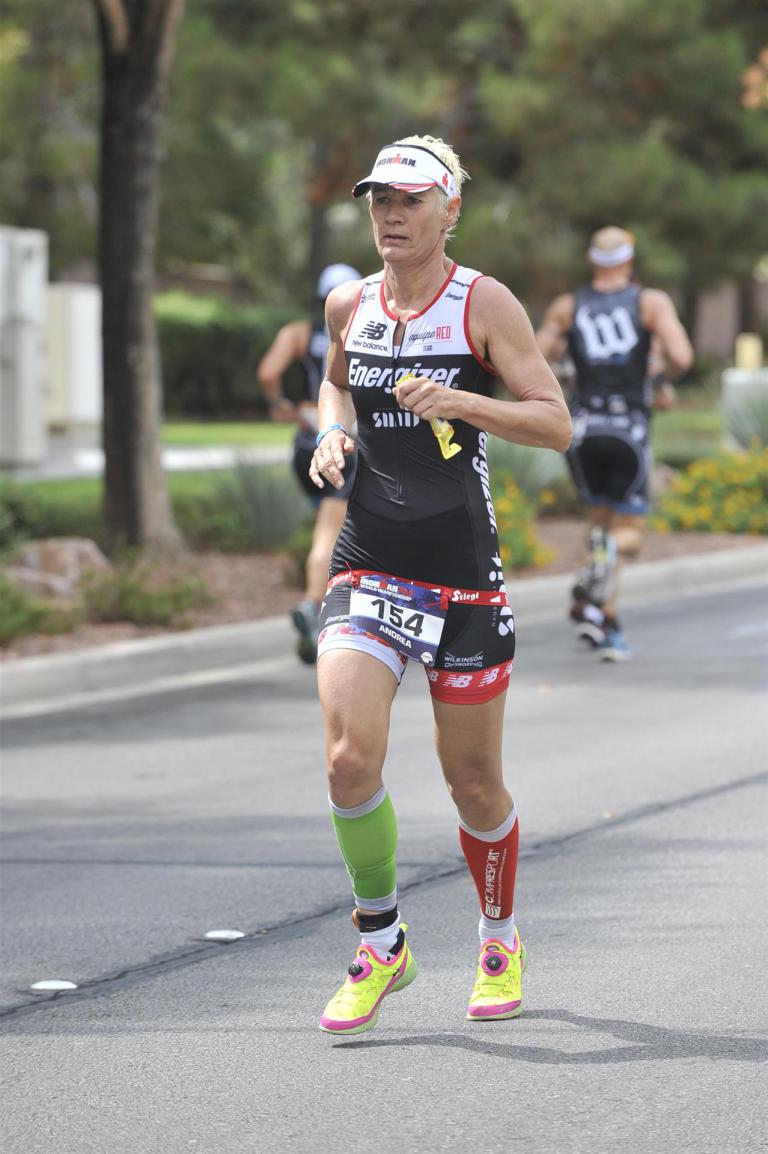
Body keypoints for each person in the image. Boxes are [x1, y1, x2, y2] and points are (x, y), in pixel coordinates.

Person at [308, 135, 572, 1035]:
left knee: (473, 786)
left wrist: (463, 402)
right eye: (379, 199)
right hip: (369, 563)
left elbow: (555, 423)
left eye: (410, 200)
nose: (391, 214)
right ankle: (381, 941)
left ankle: (499, 939)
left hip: (462, 578)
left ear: (450, 208)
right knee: (348, 759)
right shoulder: (350, 303)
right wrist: (331, 432)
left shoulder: (482, 303)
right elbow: (334, 385)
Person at [536, 227, 694, 661]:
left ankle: (600, 617)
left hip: (583, 429)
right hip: (628, 427)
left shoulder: (568, 306)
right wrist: (657, 381)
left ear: (592, 259)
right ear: (629, 258)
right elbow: (682, 356)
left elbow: (533, 354)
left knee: (598, 521)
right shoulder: (649, 302)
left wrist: (565, 377)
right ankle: (603, 587)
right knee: (629, 536)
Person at [257, 263, 361, 663]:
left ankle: (332, 608)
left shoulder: (299, 333)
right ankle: (312, 604)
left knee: (338, 527)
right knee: (329, 534)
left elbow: (268, 372)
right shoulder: (364, 332)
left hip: (304, 443)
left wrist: (279, 405)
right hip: (339, 444)